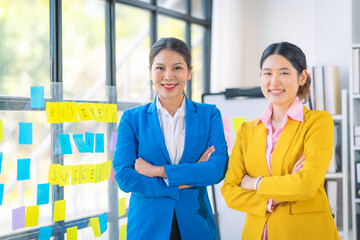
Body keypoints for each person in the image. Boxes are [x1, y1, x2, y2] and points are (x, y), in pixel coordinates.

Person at [221, 42, 340, 240]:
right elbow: (229, 191)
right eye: (267, 73)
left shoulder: (317, 122)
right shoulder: (247, 130)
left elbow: (306, 184)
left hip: (304, 232)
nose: (274, 82)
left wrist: (254, 182)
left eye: (284, 73)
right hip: (256, 233)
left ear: (301, 77)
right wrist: (274, 198)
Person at [113, 37, 229, 240]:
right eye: (160, 68)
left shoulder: (209, 114)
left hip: (196, 224)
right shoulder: (132, 119)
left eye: (177, 68)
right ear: (150, 72)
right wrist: (186, 178)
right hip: (147, 228)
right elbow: (124, 177)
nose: (168, 76)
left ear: (189, 72)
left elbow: (217, 169)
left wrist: (155, 171)